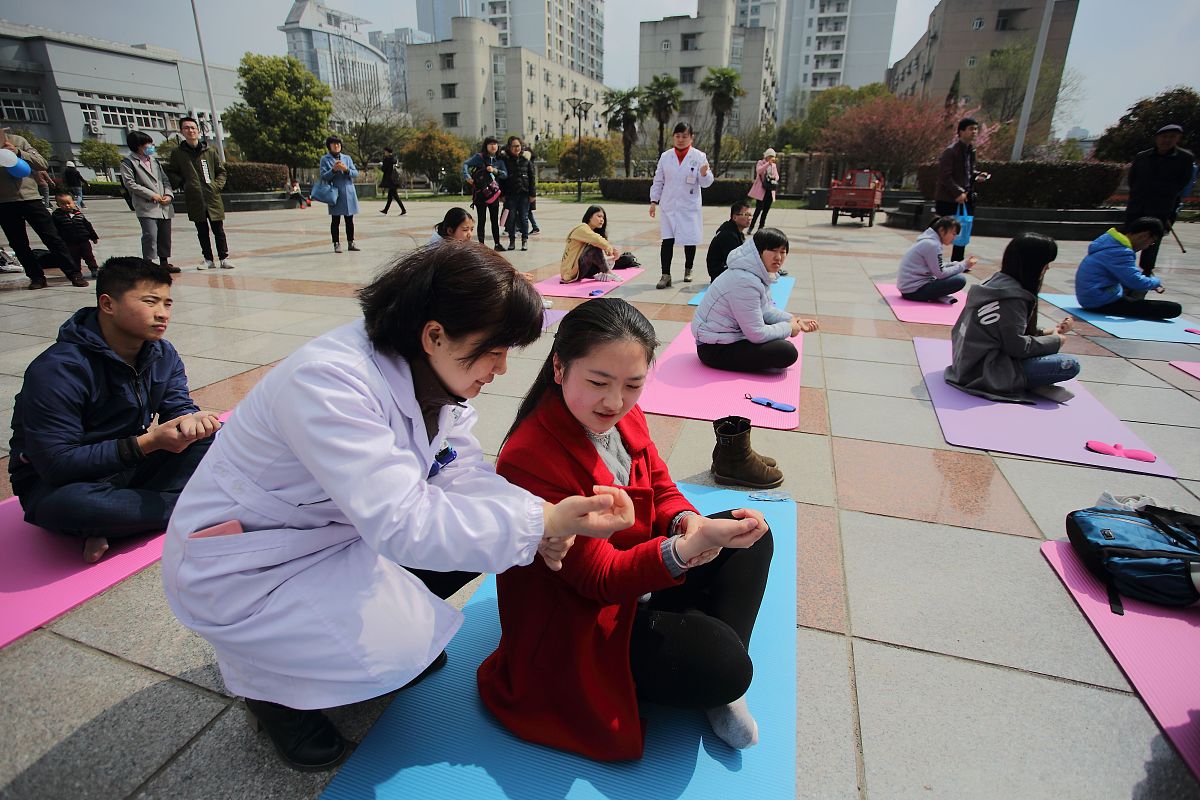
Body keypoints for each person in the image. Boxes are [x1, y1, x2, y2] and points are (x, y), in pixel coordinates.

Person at [161, 243, 635, 772]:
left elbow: (459, 472)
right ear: (434, 334)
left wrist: (540, 517)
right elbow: (403, 521)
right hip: (247, 562)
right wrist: (541, 522)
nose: (500, 369)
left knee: (474, 560)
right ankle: (271, 694)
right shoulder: (329, 384)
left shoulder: (429, 378)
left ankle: (336, 641)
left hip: (327, 536)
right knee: (398, 642)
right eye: (493, 350)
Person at [477, 298, 773, 760]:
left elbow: (660, 485)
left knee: (751, 532)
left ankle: (709, 667)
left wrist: (687, 521)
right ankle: (710, 662)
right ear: (559, 368)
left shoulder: (623, 415)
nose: (615, 401)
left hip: (640, 575)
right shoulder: (531, 456)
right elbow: (596, 580)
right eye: (598, 382)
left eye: (633, 384)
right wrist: (681, 551)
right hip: (579, 621)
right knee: (725, 664)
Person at [8, 257, 219, 564]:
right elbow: (56, 464)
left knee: (211, 440)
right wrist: (148, 443)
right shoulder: (58, 370)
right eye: (150, 302)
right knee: (75, 506)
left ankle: (120, 523)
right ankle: (192, 508)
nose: (163, 313)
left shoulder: (161, 352)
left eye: (168, 303)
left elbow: (178, 406)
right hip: (64, 482)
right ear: (107, 304)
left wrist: (192, 422)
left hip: (129, 463)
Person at [945, 233, 1081, 402]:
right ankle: (1024, 383)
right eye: (1046, 264)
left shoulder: (995, 283)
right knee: (1069, 365)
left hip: (966, 363)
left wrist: (1049, 332)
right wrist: (1056, 340)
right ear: (1033, 264)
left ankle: (1027, 382)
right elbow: (1017, 347)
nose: (1047, 268)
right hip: (985, 372)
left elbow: (1005, 331)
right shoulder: (1012, 298)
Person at [692, 228, 818, 374]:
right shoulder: (744, 281)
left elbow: (765, 310)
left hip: (725, 338)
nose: (779, 257)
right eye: (773, 250)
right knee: (786, 352)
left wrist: (794, 320)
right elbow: (756, 333)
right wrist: (789, 328)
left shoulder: (755, 273)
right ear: (758, 252)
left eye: (783, 252)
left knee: (779, 344)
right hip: (714, 349)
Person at [0, 128, 88, 289]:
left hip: (31, 198)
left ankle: (74, 273)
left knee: (52, 237)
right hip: (4, 202)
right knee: (18, 243)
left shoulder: (18, 141)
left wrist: (18, 152)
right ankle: (36, 277)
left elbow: (42, 163)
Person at [1074, 217, 1182, 320]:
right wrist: (1155, 282)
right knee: (1173, 309)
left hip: (1093, 297)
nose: (1148, 246)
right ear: (1144, 235)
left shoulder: (1111, 244)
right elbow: (1135, 281)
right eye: (1152, 242)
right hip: (1099, 301)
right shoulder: (1120, 252)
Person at [164, 117, 233, 270]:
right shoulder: (178, 153)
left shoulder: (209, 151)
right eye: (187, 128)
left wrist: (216, 186)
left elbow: (221, 172)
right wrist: (185, 184)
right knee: (202, 231)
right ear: (182, 131)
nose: (190, 131)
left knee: (218, 230)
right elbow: (171, 171)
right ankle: (208, 259)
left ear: (198, 131)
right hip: (195, 198)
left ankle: (224, 257)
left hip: (212, 197)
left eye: (193, 128)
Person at [1126, 123, 1195, 274]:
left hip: (1161, 206)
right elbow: (1133, 180)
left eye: (1172, 137)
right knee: (1129, 237)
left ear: (1177, 139)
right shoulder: (1142, 157)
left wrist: (1165, 193)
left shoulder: (1184, 158)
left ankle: (1147, 269)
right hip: (1138, 204)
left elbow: (1182, 182)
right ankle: (1124, 266)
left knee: (1152, 239)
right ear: (1157, 138)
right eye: (1164, 137)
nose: (1167, 140)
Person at [650, 122, 713, 288]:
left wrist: (704, 173)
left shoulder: (699, 156)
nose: (681, 140)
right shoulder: (666, 157)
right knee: (667, 240)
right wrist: (653, 201)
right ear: (673, 137)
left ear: (691, 137)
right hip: (669, 204)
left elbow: (706, 183)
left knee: (689, 239)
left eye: (685, 136)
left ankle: (688, 269)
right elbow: (658, 180)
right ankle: (665, 274)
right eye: (677, 136)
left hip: (688, 205)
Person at [120, 130, 178, 273]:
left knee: (165, 235)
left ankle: (164, 262)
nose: (152, 146)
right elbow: (130, 184)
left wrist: (168, 195)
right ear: (138, 146)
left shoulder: (155, 161)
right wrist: (152, 195)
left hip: (163, 205)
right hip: (147, 205)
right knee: (150, 235)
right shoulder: (129, 162)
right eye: (148, 144)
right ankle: (149, 264)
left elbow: (165, 180)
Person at [935, 117, 991, 263]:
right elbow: (945, 176)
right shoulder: (951, 151)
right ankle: (932, 260)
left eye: (976, 129)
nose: (974, 132)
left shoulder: (971, 151)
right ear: (961, 131)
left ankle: (957, 264)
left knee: (962, 231)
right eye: (971, 129)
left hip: (965, 198)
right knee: (941, 232)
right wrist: (958, 192)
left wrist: (978, 175)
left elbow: (968, 172)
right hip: (948, 199)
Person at [896, 216, 976, 303]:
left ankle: (938, 296)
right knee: (959, 280)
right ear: (942, 230)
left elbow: (937, 266)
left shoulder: (929, 241)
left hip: (909, 288)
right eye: (953, 234)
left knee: (953, 273)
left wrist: (957, 264)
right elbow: (941, 274)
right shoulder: (932, 245)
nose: (954, 238)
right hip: (913, 291)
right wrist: (964, 265)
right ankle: (936, 296)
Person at [463, 137, 508, 251]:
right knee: (481, 220)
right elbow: (466, 164)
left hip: (494, 195)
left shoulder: (500, 160)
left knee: (494, 220)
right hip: (481, 194)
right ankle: (481, 245)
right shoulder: (479, 157)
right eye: (490, 144)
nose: (493, 146)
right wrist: (467, 177)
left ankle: (497, 244)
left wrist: (494, 170)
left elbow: (505, 175)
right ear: (486, 146)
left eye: (495, 144)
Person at [319, 135, 360, 254]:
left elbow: (355, 173)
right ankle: (336, 243)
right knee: (335, 220)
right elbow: (323, 176)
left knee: (349, 219)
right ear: (329, 146)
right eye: (334, 144)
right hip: (335, 193)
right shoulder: (325, 159)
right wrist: (333, 170)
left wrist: (346, 169)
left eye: (338, 144)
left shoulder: (347, 158)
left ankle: (351, 242)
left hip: (348, 192)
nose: (336, 146)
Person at [560, 205, 618, 283]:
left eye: (603, 218)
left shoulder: (590, 231)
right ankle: (608, 272)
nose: (602, 220)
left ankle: (600, 274)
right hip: (569, 272)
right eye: (599, 216)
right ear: (590, 217)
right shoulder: (582, 228)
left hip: (580, 269)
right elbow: (597, 240)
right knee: (594, 247)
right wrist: (611, 249)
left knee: (612, 259)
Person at [51, 191, 101, 279]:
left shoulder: (79, 215)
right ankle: (77, 272)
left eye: (68, 203)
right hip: (69, 242)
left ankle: (94, 269)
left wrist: (94, 236)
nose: (66, 205)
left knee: (89, 255)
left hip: (84, 241)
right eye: (63, 204)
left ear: (73, 202)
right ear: (58, 204)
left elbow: (88, 226)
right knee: (74, 258)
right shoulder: (57, 217)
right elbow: (55, 230)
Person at [500, 136, 535, 251]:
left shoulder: (526, 161)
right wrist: (502, 195)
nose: (516, 148)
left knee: (524, 218)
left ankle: (524, 240)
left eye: (518, 146)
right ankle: (512, 241)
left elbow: (532, 178)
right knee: (511, 218)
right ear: (509, 148)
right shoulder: (505, 161)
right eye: (514, 146)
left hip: (524, 194)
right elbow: (502, 179)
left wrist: (532, 194)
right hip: (510, 195)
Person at [707, 200, 753, 281]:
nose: (749, 218)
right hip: (720, 276)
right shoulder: (729, 235)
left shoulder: (735, 231)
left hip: (725, 271)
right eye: (745, 215)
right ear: (734, 217)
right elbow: (735, 261)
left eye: (750, 215)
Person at [747, 148, 779, 232]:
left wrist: (774, 177)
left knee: (765, 211)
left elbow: (777, 176)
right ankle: (751, 227)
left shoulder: (774, 166)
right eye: (770, 156)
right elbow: (759, 171)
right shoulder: (760, 163)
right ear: (766, 156)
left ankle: (761, 228)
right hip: (761, 191)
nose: (771, 158)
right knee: (758, 210)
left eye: (773, 157)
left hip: (770, 190)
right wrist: (768, 163)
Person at [379, 146, 407, 216]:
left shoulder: (387, 159)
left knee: (395, 196)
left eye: (385, 151)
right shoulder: (395, 159)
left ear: (388, 152)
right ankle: (386, 210)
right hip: (395, 179)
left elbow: (383, 169)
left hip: (390, 180)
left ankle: (403, 210)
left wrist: (381, 165)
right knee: (391, 196)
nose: (384, 153)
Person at [522, 147, 541, 235]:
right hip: (528, 192)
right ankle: (535, 227)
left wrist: (532, 194)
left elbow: (531, 180)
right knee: (528, 212)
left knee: (526, 212)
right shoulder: (530, 164)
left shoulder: (529, 165)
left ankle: (534, 227)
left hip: (528, 192)